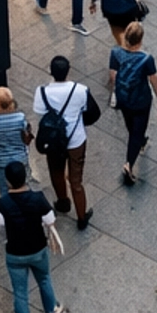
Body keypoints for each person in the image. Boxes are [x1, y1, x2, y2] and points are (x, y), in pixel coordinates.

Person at [0, 160, 60, 313]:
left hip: (15, 254)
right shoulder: (38, 198)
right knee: (45, 279)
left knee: (20, 294)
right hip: (38, 249)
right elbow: (50, 219)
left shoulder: (2, 203)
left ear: (8, 182)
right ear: (25, 178)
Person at [33, 54, 91, 226]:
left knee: (56, 172)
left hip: (54, 142)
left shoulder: (41, 92)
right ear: (68, 71)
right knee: (76, 180)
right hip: (76, 140)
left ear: (51, 72)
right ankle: (81, 218)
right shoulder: (80, 90)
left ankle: (63, 202)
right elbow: (87, 110)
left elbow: (39, 113)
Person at [109, 21, 157, 185]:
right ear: (140, 40)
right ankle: (129, 164)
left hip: (124, 97)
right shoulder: (146, 59)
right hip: (141, 99)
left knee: (130, 124)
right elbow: (153, 80)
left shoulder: (115, 53)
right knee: (137, 130)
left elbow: (113, 75)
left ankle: (140, 140)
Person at [0, 84, 33, 200]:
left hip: (1, 162)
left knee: (4, 191)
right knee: (24, 186)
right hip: (20, 159)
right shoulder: (20, 118)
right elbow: (26, 139)